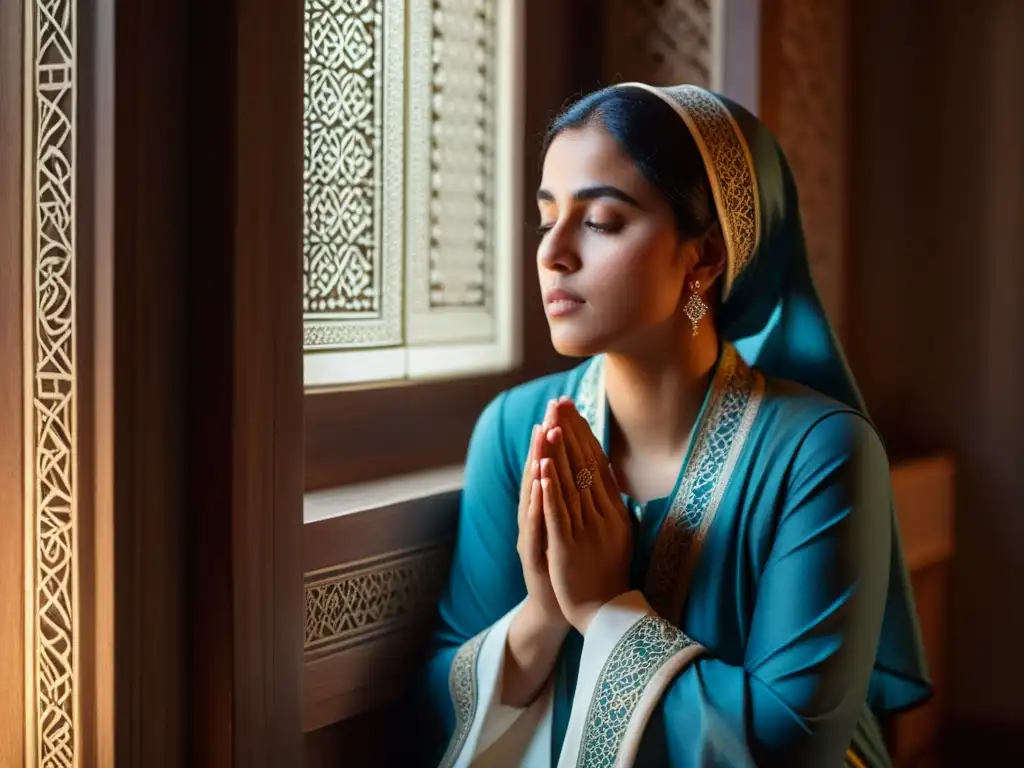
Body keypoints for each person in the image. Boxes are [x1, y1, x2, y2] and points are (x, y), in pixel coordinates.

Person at [415, 83, 931, 767]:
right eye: (547, 220)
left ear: (704, 257)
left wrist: (603, 610)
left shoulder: (821, 453)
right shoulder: (514, 430)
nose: (553, 253)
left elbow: (792, 743)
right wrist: (542, 613)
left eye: (599, 221)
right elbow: (435, 706)